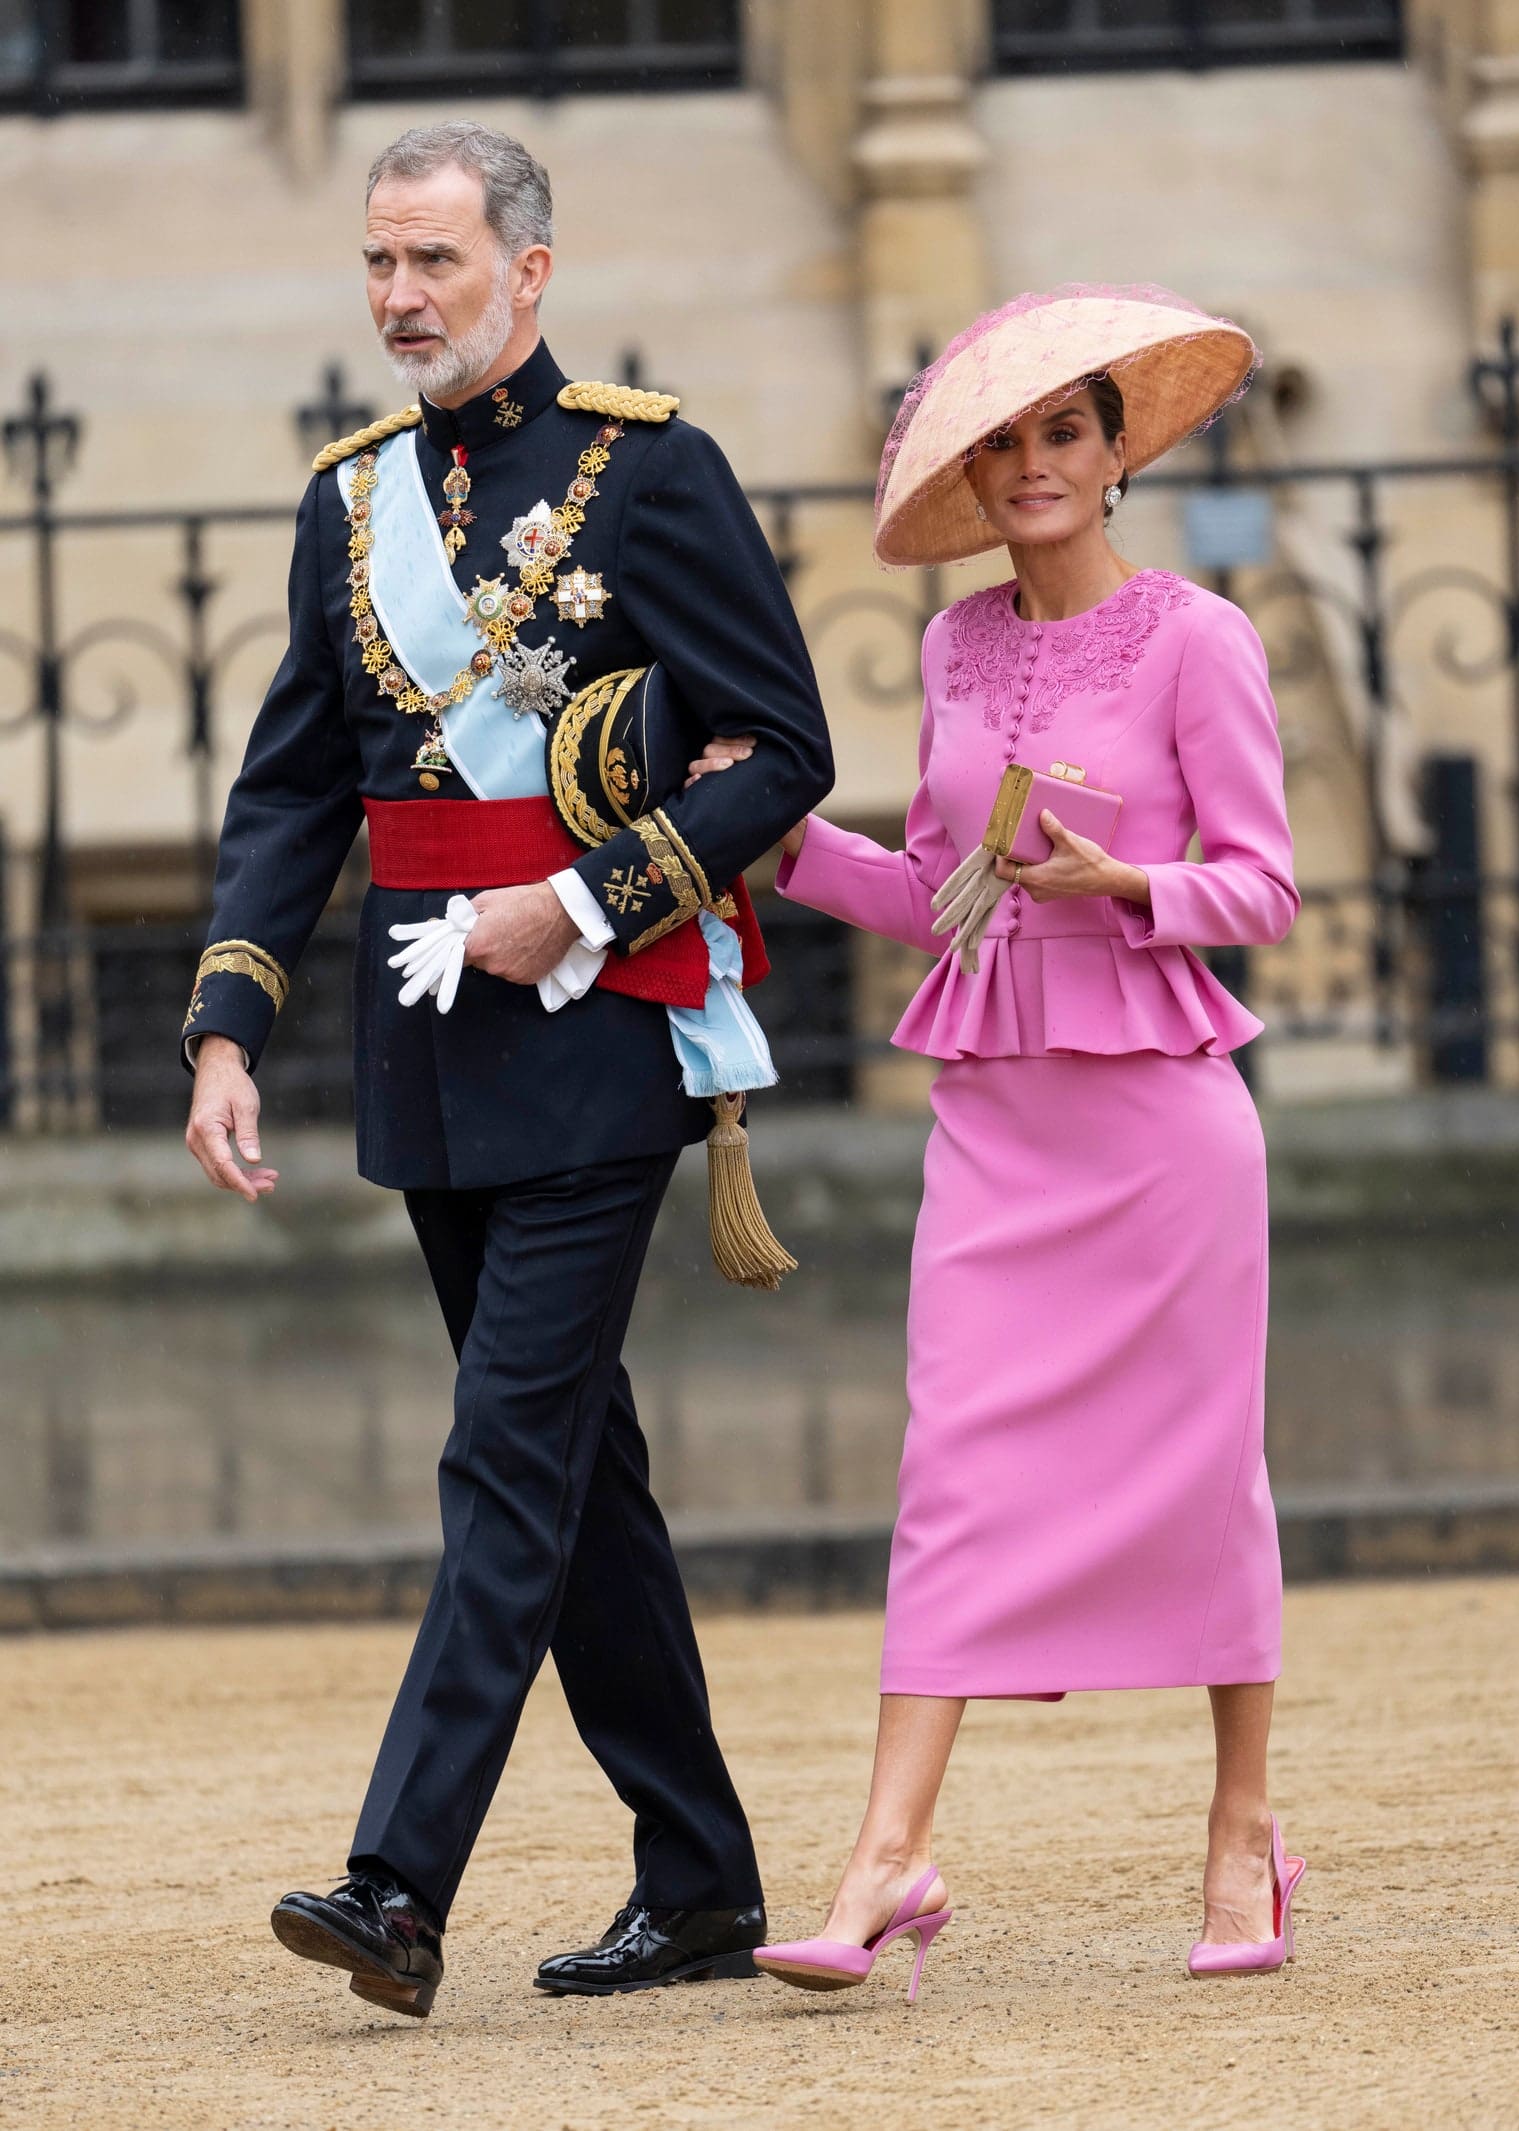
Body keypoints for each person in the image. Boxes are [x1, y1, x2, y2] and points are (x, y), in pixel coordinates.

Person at [181, 120, 833, 2018]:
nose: (400, 301)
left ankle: (398, 1883)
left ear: (528, 273)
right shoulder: (350, 498)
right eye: (378, 266)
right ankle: (701, 1877)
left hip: (600, 1036)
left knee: (501, 1458)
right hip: (429, 1052)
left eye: (434, 266)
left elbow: (780, 744)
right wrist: (230, 1019)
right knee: (574, 1474)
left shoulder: (656, 473)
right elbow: (297, 786)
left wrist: (600, 900)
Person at [696, 285, 1303, 1995]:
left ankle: (1243, 1836)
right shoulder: (956, 648)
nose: (1035, 464)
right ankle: (887, 1860)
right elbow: (943, 898)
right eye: (1008, 441)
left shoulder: (1201, 638)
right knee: (952, 1467)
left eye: (1065, 432)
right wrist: (780, 835)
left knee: (1206, 1478)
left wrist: (1128, 885)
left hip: (1165, 1128)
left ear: (1118, 456)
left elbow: (1264, 886)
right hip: (996, 1123)